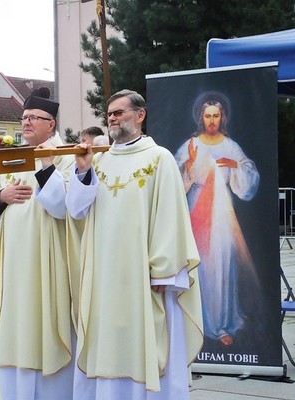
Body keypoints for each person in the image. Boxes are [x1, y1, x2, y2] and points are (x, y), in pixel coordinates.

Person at [66, 89, 203, 400]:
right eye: (110, 113)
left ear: (140, 116)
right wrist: (83, 170)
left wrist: (164, 272)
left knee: (148, 344)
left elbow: (170, 215)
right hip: (104, 276)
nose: (113, 118)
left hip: (145, 276)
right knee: (107, 344)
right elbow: (75, 209)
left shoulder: (159, 159)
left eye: (120, 112)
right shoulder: (97, 161)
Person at [0, 87, 76, 399]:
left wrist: (47, 166)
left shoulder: (66, 157)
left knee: (46, 324)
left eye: (33, 118)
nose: (25, 123)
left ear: (51, 124)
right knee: (12, 328)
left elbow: (64, 208)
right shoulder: (10, 158)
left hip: (48, 261)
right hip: (11, 264)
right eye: (23, 117)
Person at [174, 91, 260, 346]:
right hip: (195, 211)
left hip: (222, 214)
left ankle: (221, 323)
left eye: (216, 116)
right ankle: (196, 319)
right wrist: (188, 163)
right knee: (199, 265)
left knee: (222, 265)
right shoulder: (190, 145)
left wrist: (233, 165)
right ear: (201, 117)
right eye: (207, 116)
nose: (211, 120)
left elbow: (249, 175)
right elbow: (174, 178)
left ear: (222, 118)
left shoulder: (231, 146)